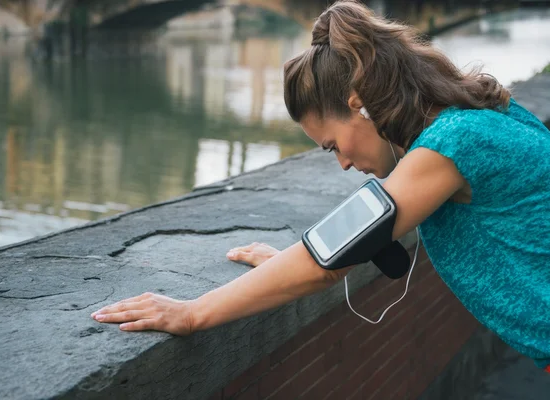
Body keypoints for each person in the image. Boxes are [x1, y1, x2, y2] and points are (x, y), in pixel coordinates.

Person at [91, 1, 550, 372]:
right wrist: (285, 268)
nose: (345, 163)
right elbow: (338, 250)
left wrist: (193, 314)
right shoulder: (486, 118)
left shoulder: (454, 143)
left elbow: (326, 264)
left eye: (332, 146)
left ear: (361, 105)